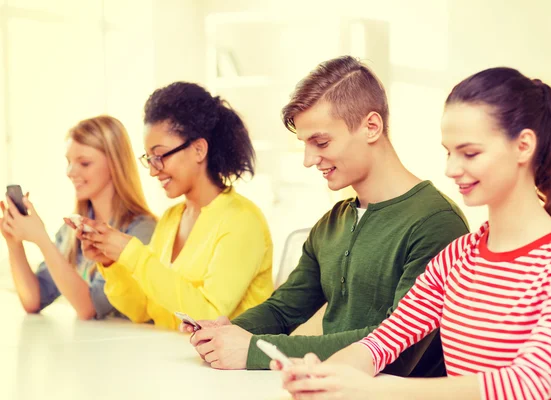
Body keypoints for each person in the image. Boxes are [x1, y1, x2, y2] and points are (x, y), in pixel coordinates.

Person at [279, 67, 551, 400]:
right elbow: (383, 341)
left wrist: (373, 392)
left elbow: (528, 383)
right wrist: (326, 376)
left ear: (523, 146)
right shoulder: (458, 257)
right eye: (449, 152)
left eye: (470, 153)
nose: (450, 170)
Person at [183, 56, 469, 374]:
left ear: (371, 127)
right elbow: (283, 309)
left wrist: (254, 351)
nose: (308, 159)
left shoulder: (437, 223)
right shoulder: (333, 222)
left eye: (321, 142)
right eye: (305, 144)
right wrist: (227, 332)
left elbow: (396, 348)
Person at [78, 82, 274, 330]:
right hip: (174, 360)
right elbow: (142, 310)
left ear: (198, 150)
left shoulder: (242, 221)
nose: (152, 169)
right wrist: (111, 263)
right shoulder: (171, 218)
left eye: (160, 156)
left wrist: (132, 253)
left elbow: (209, 317)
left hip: (228, 367)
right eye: (149, 158)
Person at [0, 115, 156, 320]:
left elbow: (90, 308)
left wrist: (42, 239)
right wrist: (13, 242)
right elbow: (34, 299)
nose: (70, 172)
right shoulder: (71, 230)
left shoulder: (142, 230)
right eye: (69, 162)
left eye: (84, 163)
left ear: (115, 164)